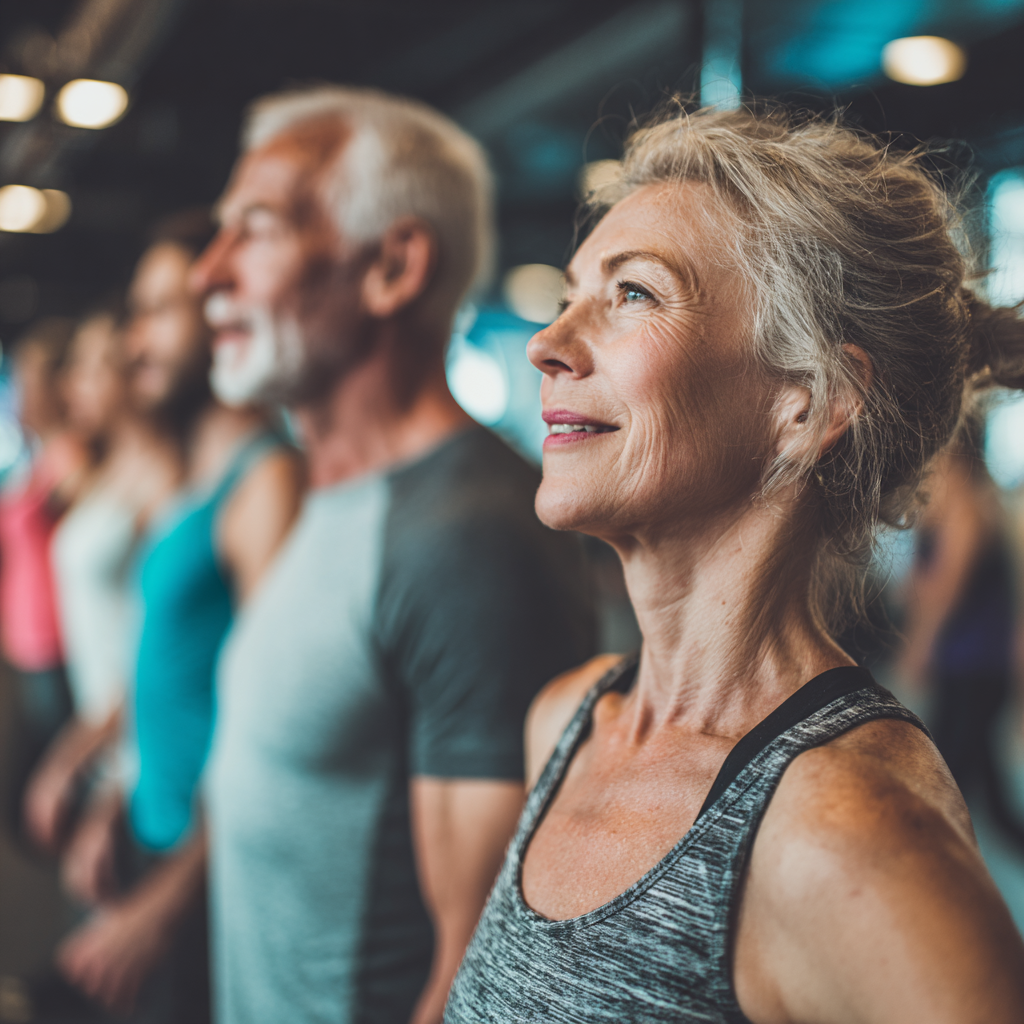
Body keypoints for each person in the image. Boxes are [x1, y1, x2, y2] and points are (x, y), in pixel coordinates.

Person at [444, 103, 1024, 1024]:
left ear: (806, 403)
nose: (547, 345)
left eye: (633, 293)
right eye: (569, 295)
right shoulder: (567, 721)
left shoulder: (850, 833)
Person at [190, 85, 596, 1024]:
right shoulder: (329, 491)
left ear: (393, 265)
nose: (207, 274)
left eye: (252, 230)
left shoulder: (464, 533)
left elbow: (479, 968)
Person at [56, 212, 304, 1022]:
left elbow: (269, 732)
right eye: (138, 313)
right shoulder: (188, 474)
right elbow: (159, 665)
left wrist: (162, 905)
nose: (136, 342)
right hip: (153, 830)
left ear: (218, 309)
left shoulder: (263, 479)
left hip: (206, 876)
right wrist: (110, 804)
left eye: (161, 311)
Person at [24, 307, 179, 854]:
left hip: (131, 742)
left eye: (92, 369)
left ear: (130, 374)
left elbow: (155, 641)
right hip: (98, 731)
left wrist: (75, 756)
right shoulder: (103, 469)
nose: (73, 386)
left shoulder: (165, 480)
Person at [899, 432, 1024, 854]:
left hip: (976, 669)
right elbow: (918, 588)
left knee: (945, 778)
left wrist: (919, 647)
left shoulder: (969, 509)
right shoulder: (949, 513)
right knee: (990, 798)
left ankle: (932, 873)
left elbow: (943, 593)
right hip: (968, 667)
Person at [0, 317, 89, 825]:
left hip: (55, 641)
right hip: (26, 640)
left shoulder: (70, 458)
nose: (21, 396)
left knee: (55, 795)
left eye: (31, 383)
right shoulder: (33, 457)